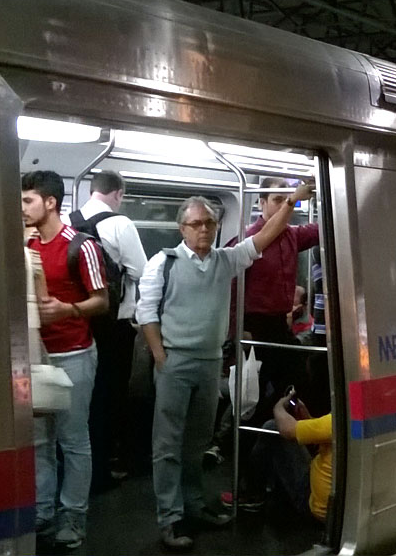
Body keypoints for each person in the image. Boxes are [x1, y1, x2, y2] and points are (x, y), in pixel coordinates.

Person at [137, 185, 313, 551]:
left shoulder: (225, 259)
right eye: (196, 224)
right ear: (182, 228)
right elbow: (146, 314)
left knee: (197, 441)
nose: (204, 229)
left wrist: (294, 201)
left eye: (210, 223)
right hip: (174, 360)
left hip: (210, 361)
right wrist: (160, 358)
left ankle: (195, 505)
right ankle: (170, 517)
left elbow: (265, 235)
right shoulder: (163, 263)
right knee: (167, 443)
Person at [22, 170, 109, 549]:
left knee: (73, 440)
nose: (22, 208)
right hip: (34, 353)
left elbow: (102, 302)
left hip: (73, 353)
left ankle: (73, 516)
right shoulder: (25, 245)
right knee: (40, 440)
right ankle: (43, 509)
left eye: (28, 200)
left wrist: (67, 310)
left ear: (50, 202)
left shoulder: (80, 245)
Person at [70, 170, 148, 490]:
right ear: (117, 194)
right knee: (109, 396)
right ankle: (101, 472)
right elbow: (141, 270)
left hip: (80, 320)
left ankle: (79, 471)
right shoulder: (120, 224)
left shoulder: (69, 221)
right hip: (114, 324)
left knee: (83, 398)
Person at [229, 177, 320, 403]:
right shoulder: (247, 239)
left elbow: (322, 229)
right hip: (252, 325)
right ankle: (230, 436)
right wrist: (236, 329)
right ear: (261, 203)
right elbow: (230, 288)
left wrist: (321, 189)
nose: (282, 206)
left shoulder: (292, 235)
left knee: (299, 381)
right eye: (277, 200)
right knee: (253, 392)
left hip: (280, 323)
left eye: (286, 201)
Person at [246, 386, 333, 524]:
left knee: (272, 427)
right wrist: (308, 418)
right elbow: (325, 436)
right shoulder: (353, 420)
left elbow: (287, 430)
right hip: (326, 487)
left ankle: (251, 494)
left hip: (312, 499)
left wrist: (279, 406)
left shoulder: (333, 422)